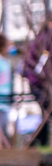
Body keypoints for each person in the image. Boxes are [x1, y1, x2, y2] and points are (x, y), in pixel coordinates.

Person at [23, 19, 52, 147]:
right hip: (41, 83)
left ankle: (38, 141)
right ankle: (38, 141)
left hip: (38, 82)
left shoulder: (40, 38)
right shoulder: (45, 39)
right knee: (47, 113)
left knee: (46, 113)